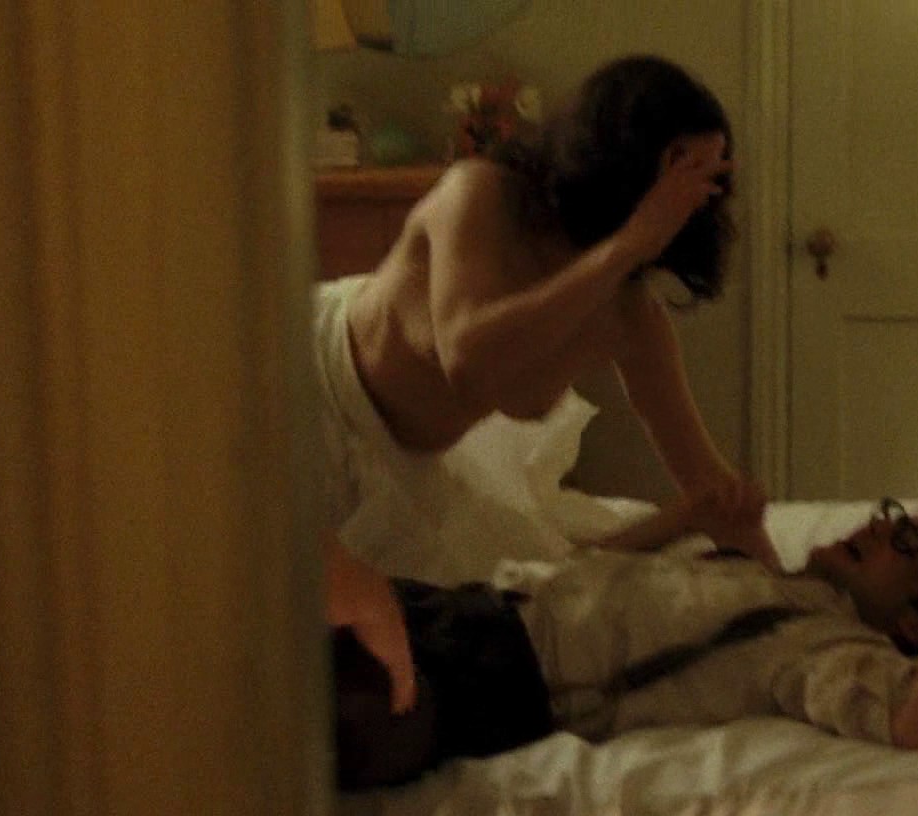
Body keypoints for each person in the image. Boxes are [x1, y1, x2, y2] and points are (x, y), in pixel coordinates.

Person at [318, 54, 769, 712]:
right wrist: (629, 243)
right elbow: (470, 358)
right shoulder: (480, 194)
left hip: (410, 462)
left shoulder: (630, 313)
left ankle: (676, 528)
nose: (697, 197)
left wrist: (796, 593)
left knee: (527, 597)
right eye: (685, 171)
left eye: (711, 175)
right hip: (316, 398)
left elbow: (712, 484)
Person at [328, 468, 918, 790]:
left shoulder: (819, 643)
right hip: (462, 609)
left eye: (905, 545)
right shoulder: (769, 580)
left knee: (298, 719)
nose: (877, 526)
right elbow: (578, 576)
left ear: (915, 621)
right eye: (892, 516)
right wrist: (682, 519)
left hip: (488, 680)